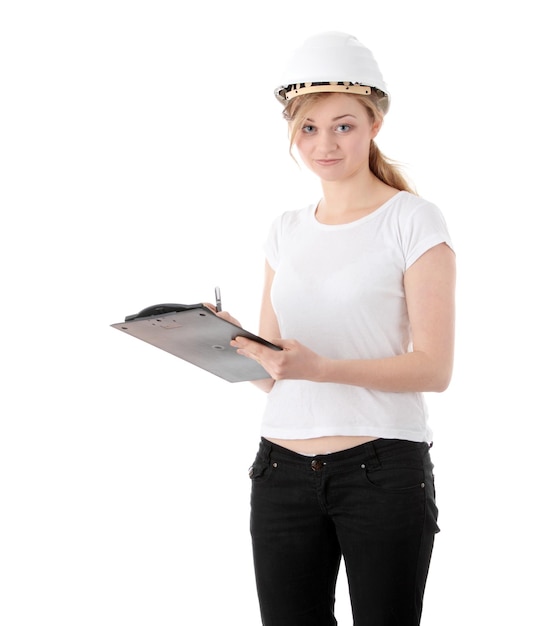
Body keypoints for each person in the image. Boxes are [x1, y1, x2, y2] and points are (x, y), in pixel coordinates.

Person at [218, 31, 456, 626]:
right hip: (280, 471)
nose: (324, 143)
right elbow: (276, 373)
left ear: (374, 123)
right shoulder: (286, 230)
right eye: (308, 128)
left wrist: (322, 369)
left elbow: (434, 367)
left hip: (381, 470)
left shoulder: (413, 220)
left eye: (343, 125)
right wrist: (231, 342)